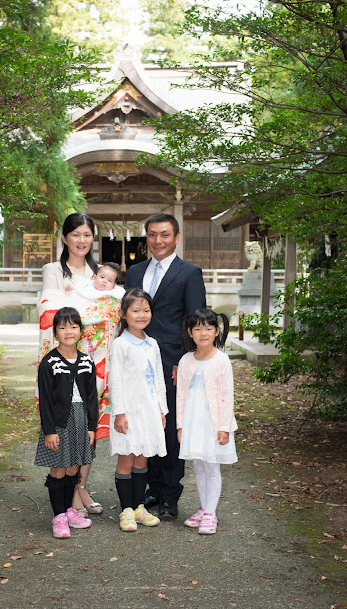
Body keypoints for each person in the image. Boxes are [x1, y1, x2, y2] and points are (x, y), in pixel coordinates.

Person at [124, 213, 207, 520]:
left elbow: (196, 320)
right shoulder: (135, 272)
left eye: (164, 235)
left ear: (176, 236)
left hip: (173, 364)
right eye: (153, 235)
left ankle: (171, 495)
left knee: (171, 429)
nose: (158, 241)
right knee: (145, 425)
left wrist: (187, 363)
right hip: (138, 363)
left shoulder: (189, 273)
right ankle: (151, 489)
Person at [38, 213, 119, 518]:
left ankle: (81, 486)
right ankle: (66, 491)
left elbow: (113, 307)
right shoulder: (53, 270)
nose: (81, 241)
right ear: (64, 238)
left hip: (96, 357)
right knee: (65, 420)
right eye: (76, 235)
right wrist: (93, 311)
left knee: (89, 421)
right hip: (65, 353)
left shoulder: (101, 272)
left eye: (87, 235)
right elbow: (50, 309)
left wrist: (90, 310)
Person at [34, 307, 98, 538]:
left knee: (74, 465)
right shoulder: (49, 362)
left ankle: (70, 510)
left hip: (81, 418)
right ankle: (58, 516)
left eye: (73, 327)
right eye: (63, 327)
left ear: (81, 331)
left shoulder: (86, 360)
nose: (68, 331)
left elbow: (92, 398)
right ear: (55, 332)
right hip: (59, 421)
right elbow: (46, 401)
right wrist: (49, 431)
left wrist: (92, 427)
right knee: (59, 467)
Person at [108, 289, 168, 532]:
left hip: (150, 411)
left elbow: (159, 379)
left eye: (146, 310)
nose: (141, 315)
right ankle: (126, 510)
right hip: (129, 412)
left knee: (143, 458)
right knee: (127, 457)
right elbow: (117, 381)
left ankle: (139, 506)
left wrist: (162, 410)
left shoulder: (152, 343)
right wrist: (119, 413)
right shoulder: (120, 344)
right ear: (123, 314)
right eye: (135, 310)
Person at [177, 308, 238, 534]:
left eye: (208, 328)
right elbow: (181, 395)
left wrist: (224, 427)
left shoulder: (222, 360)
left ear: (217, 331)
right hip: (193, 421)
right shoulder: (185, 360)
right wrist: (180, 425)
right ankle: (204, 508)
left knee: (212, 467)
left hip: (213, 423)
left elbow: (227, 396)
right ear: (190, 333)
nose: (203, 333)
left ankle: (211, 514)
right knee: (199, 466)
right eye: (198, 328)